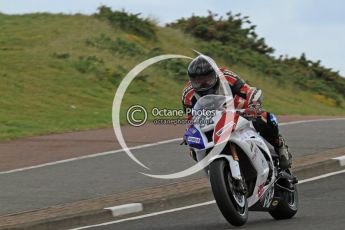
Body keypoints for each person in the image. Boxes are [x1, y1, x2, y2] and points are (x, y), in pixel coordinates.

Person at [181, 55, 292, 169]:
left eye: (207, 80)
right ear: (191, 80)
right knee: (194, 148)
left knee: (264, 117)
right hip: (213, 120)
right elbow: (190, 117)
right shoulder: (187, 94)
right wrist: (189, 131)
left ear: (215, 75)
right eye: (198, 82)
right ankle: (215, 172)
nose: (203, 85)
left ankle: (280, 146)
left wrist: (253, 105)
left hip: (239, 111)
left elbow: (249, 90)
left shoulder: (226, 76)